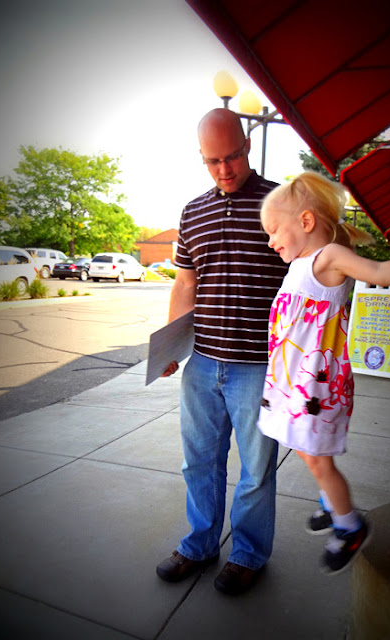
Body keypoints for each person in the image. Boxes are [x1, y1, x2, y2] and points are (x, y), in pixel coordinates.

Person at [257, 171, 390, 575]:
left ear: (306, 221)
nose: (270, 241)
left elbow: (379, 272)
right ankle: (330, 501)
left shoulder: (327, 258)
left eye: (274, 230)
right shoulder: (301, 263)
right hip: (294, 382)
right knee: (306, 449)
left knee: (319, 459)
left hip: (316, 387)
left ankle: (350, 525)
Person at [156, 108, 288, 595]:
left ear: (247, 145)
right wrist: (170, 344)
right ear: (201, 157)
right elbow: (185, 283)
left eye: (231, 156)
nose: (224, 169)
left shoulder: (281, 203)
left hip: (259, 366)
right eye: (212, 161)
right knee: (199, 462)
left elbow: (306, 273)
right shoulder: (193, 211)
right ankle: (199, 545)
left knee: (256, 470)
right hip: (203, 362)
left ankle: (248, 554)